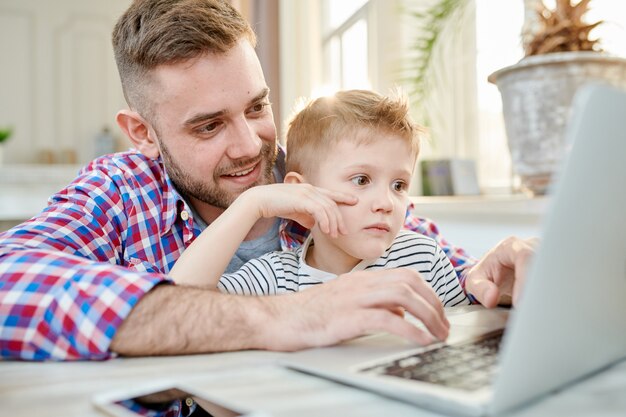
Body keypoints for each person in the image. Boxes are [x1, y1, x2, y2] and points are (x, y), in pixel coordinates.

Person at [0, 0, 535, 361]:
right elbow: (10, 281)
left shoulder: (325, 172)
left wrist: (492, 283)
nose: (250, 145)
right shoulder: (119, 191)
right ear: (141, 131)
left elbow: (428, 260)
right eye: (208, 125)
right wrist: (277, 318)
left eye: (257, 106)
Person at [171, 89, 470, 320]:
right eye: (362, 180)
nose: (386, 203)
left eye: (399, 185)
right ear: (302, 193)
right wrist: (251, 203)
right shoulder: (274, 279)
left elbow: (461, 340)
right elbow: (177, 308)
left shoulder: (423, 259)